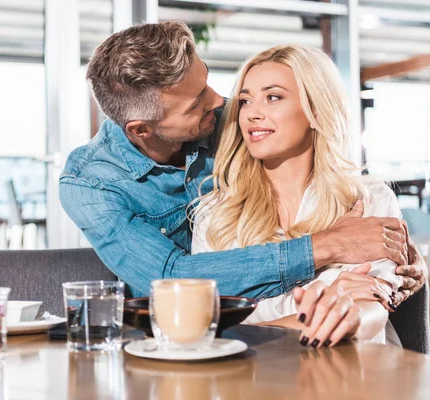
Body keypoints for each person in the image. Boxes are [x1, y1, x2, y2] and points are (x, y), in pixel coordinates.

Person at [59, 21, 426, 304]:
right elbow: (174, 279)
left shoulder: (238, 123)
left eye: (206, 82)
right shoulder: (91, 184)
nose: (222, 102)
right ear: (142, 129)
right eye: (196, 101)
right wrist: (326, 246)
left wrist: (405, 267)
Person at [192, 44, 408, 347]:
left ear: (315, 110)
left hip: (352, 377)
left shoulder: (367, 199)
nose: (253, 113)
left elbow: (371, 308)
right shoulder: (215, 213)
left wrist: (352, 315)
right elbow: (200, 327)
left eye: (273, 97)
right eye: (245, 101)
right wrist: (319, 317)